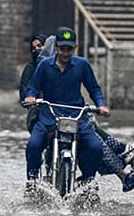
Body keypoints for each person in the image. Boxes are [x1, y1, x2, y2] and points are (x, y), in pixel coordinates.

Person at [23, 26, 110, 193]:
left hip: (76, 117)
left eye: (69, 49)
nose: (65, 53)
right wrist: (31, 98)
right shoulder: (44, 66)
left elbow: (94, 88)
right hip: (49, 116)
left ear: (74, 48)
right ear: (56, 47)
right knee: (32, 145)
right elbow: (32, 88)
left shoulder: (82, 65)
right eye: (62, 48)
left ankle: (89, 184)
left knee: (95, 147)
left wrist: (101, 105)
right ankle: (32, 184)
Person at [19, 34, 46, 133]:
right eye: (34, 48)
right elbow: (24, 92)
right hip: (39, 112)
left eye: (40, 46)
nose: (37, 50)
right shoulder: (30, 69)